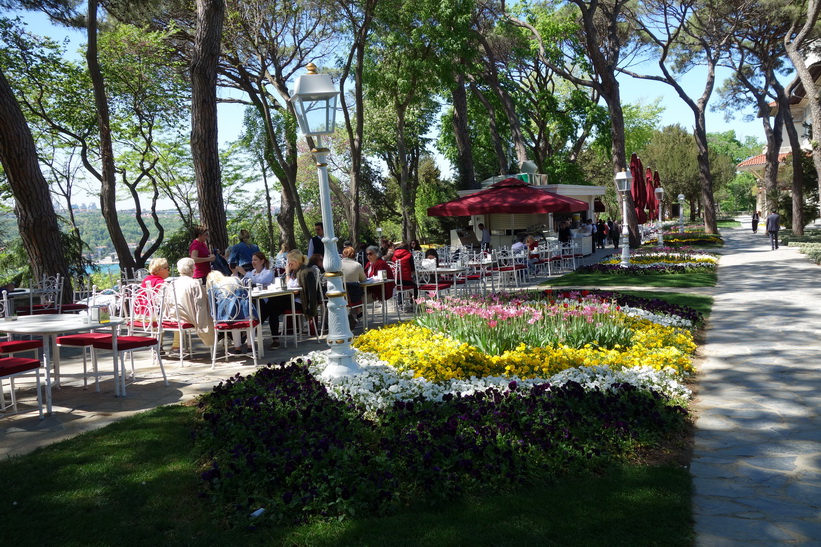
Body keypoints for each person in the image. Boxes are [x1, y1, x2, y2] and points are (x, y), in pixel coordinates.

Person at [268, 250, 319, 349]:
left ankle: (256, 326)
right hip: (292, 300)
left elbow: (294, 289)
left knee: (272, 304)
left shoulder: (305, 272)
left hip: (301, 303)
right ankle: (275, 339)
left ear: (295, 262)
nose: (288, 264)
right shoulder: (296, 271)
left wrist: (287, 272)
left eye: (289, 262)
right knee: (272, 308)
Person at [165, 257, 215, 353]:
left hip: (172, 316)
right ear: (192, 269)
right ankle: (214, 343)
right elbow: (200, 304)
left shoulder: (172, 283)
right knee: (211, 317)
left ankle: (177, 346)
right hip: (186, 316)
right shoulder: (194, 283)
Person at [206, 270, 251, 355]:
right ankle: (250, 347)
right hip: (244, 314)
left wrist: (214, 319)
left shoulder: (212, 288)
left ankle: (237, 348)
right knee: (250, 319)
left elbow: (213, 308)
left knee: (233, 319)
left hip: (226, 318)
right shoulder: (235, 280)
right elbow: (246, 296)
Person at [341, 246, 366, 326]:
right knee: (361, 291)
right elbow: (363, 279)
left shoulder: (337, 265)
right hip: (354, 296)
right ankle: (358, 312)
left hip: (341, 296)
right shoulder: (357, 265)